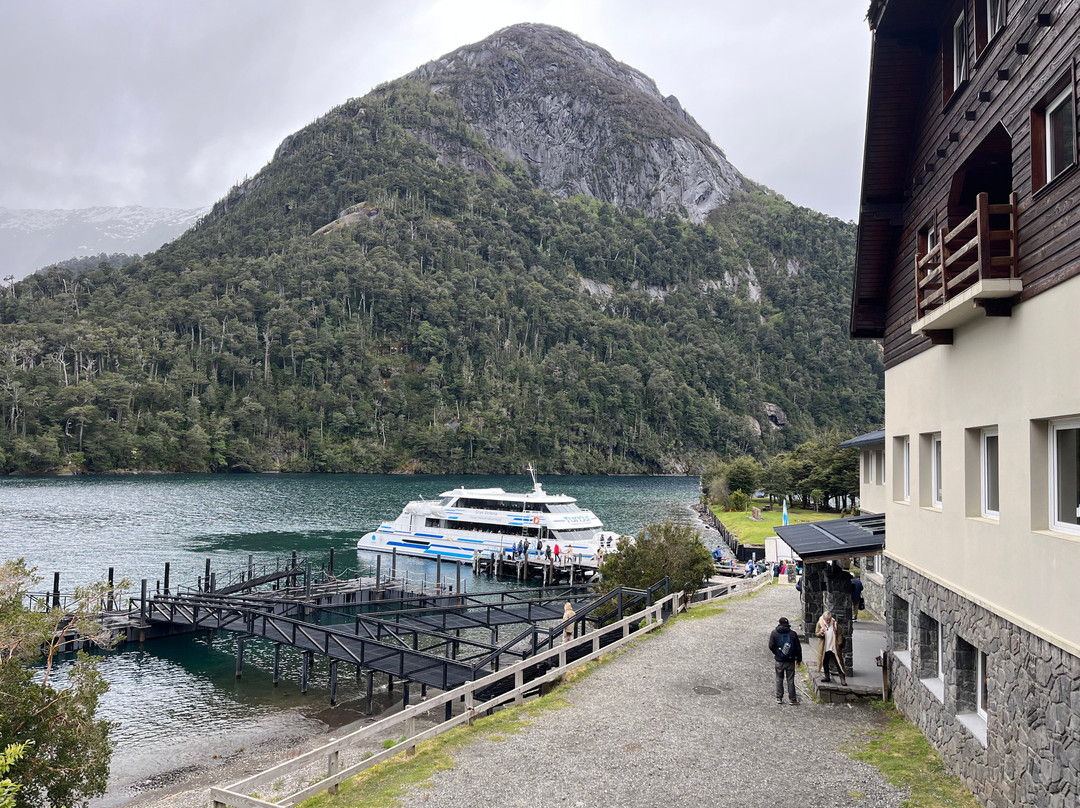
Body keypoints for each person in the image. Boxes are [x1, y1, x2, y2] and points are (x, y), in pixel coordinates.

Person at [768, 616, 803, 705]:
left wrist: (776, 653)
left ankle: (779, 698)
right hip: (790, 661)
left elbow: (771, 646)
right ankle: (792, 699)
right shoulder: (793, 634)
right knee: (790, 679)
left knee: (779, 679)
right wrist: (798, 659)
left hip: (779, 660)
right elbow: (798, 648)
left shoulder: (774, 633)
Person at [815, 610, 847, 686]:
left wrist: (839, 643)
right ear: (824, 618)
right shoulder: (820, 623)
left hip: (833, 647)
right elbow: (816, 633)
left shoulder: (835, 624)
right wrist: (821, 633)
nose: (828, 621)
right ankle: (827, 676)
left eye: (829, 620)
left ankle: (842, 678)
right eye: (827, 620)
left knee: (839, 663)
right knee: (824, 662)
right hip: (824, 647)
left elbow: (840, 634)